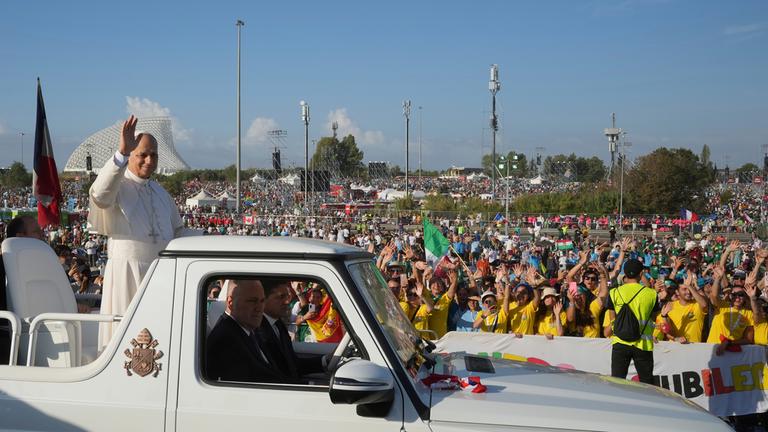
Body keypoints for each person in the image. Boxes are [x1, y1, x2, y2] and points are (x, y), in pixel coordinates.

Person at [88, 115, 186, 349]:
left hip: (160, 275)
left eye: (153, 154)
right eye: (142, 154)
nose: (149, 160)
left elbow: (178, 231)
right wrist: (120, 153)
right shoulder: (117, 186)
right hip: (127, 274)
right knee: (126, 342)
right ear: (130, 155)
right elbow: (99, 195)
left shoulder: (161, 193)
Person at [206, 279, 285, 383]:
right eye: (252, 301)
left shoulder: (249, 330)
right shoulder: (226, 341)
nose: (260, 308)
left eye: (262, 301)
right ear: (230, 303)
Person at [257, 278, 323, 382]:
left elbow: (293, 364)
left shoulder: (278, 325)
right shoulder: (257, 331)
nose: (287, 301)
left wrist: (324, 361)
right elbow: (276, 374)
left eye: (287, 296)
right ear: (263, 299)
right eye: (281, 297)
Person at [605, 258, 660, 385]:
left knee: (617, 382)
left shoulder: (614, 292)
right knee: (647, 384)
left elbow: (612, 317)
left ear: (624, 274)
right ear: (641, 274)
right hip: (643, 344)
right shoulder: (651, 294)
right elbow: (653, 318)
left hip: (620, 341)